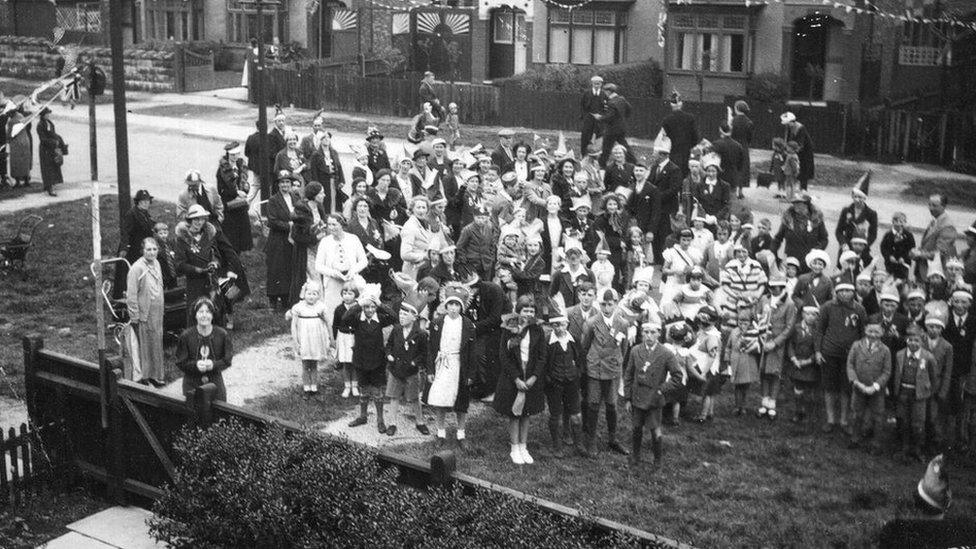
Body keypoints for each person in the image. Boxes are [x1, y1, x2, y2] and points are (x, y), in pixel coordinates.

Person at [495, 298, 546, 465]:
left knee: (526, 413)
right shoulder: (509, 328)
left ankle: (524, 446)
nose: (529, 314)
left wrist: (534, 377)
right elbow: (503, 355)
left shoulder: (537, 329)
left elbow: (541, 356)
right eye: (525, 311)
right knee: (515, 413)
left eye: (532, 311)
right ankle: (514, 447)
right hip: (513, 374)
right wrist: (516, 378)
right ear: (518, 311)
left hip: (530, 374)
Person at [580, 288, 630, 457]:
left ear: (616, 303)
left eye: (610, 304)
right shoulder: (592, 323)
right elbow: (585, 346)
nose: (607, 308)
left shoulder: (623, 323)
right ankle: (591, 439)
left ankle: (613, 438)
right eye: (603, 304)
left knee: (612, 404)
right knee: (593, 403)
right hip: (596, 369)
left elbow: (623, 349)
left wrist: (617, 363)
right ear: (598, 304)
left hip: (613, 369)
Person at [624, 322, 681, 468]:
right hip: (638, 397)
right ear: (641, 334)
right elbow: (629, 375)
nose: (649, 336)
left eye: (653, 332)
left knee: (655, 430)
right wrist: (628, 398)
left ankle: (658, 460)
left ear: (659, 334)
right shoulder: (636, 350)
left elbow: (677, 376)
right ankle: (635, 456)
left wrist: (662, 389)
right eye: (646, 332)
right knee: (636, 427)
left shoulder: (666, 353)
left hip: (654, 398)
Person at [426, 284, 476, 448]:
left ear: (461, 307)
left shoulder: (467, 325)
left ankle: (461, 434)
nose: (453, 308)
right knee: (440, 399)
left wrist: (470, 374)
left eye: (457, 305)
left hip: (459, 365)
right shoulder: (437, 323)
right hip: (442, 363)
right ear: (445, 305)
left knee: (461, 402)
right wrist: (431, 370)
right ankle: (441, 432)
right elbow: (432, 348)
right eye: (451, 304)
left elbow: (471, 351)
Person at [343, 290, 396, 433]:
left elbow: (394, 317)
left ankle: (380, 420)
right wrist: (359, 304)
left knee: (377, 392)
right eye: (367, 307)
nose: (370, 310)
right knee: (364, 389)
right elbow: (345, 317)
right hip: (360, 360)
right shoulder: (356, 320)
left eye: (373, 307)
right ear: (362, 308)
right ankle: (363, 416)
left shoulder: (380, 319)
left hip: (377, 361)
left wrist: (381, 304)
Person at [817, 282, 866, 434]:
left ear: (853, 292)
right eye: (841, 291)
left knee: (846, 388)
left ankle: (844, 420)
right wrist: (818, 351)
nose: (845, 293)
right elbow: (819, 330)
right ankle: (831, 419)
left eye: (848, 291)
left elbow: (863, 333)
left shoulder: (859, 309)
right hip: (829, 353)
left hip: (849, 355)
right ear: (836, 292)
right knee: (829, 387)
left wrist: (860, 354)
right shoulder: (827, 307)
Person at [126, 237, 166, 387]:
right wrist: (135, 315)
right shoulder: (136, 268)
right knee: (145, 344)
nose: (152, 252)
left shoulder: (157, 263)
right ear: (142, 251)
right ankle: (145, 376)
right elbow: (131, 295)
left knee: (156, 342)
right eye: (148, 249)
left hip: (157, 312)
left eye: (154, 249)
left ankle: (157, 375)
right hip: (144, 313)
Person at [175, 297, 233, 402]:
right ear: (195, 315)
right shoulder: (186, 336)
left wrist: (214, 365)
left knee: (220, 413)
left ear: (213, 315)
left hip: (215, 381)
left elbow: (227, 360)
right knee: (194, 414)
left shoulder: (222, 334)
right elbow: (180, 362)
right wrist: (195, 365)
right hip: (192, 381)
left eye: (208, 312)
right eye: (201, 312)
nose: (204, 315)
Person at [316, 213, 369, 326]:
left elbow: (364, 261)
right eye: (329, 225)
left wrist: (353, 271)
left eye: (334, 224)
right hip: (333, 282)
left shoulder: (353, 239)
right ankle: (333, 338)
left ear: (342, 225)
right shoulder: (325, 242)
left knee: (353, 310)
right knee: (333, 311)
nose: (331, 228)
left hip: (351, 280)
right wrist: (334, 273)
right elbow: (318, 266)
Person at [385, 302, 429, 436]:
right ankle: (392, 423)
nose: (401, 317)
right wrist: (389, 355)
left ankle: (420, 422)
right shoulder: (397, 329)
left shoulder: (420, 334)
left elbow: (424, 353)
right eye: (400, 314)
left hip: (411, 371)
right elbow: (389, 345)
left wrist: (414, 363)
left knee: (414, 397)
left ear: (414, 317)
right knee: (394, 396)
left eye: (405, 314)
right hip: (396, 370)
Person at [544, 315, 586, 457]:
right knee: (556, 415)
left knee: (576, 415)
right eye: (555, 325)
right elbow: (543, 362)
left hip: (571, 382)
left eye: (562, 324)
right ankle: (557, 444)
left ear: (567, 324)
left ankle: (578, 443)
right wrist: (548, 378)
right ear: (551, 326)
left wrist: (577, 373)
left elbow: (581, 358)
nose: (559, 328)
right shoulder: (548, 341)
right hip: (554, 383)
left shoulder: (573, 339)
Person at [894, 326, 938, 462]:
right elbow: (897, 375)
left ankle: (917, 449)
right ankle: (904, 448)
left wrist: (928, 391)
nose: (913, 343)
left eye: (916, 340)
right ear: (906, 340)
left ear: (922, 341)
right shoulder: (900, 355)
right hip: (903, 392)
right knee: (904, 421)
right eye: (910, 340)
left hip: (919, 395)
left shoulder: (928, 357)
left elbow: (933, 377)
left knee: (918, 423)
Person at [846, 320, 892, 450]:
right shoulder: (856, 346)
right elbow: (850, 365)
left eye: (876, 332)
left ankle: (876, 444)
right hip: (858, 386)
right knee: (856, 414)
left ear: (882, 333)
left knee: (878, 416)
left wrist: (876, 386)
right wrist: (856, 382)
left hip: (876, 390)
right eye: (870, 331)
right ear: (865, 330)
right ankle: (855, 439)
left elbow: (887, 371)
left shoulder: (885, 350)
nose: (873, 334)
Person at [757, 274, 796, 419]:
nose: (773, 289)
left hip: (777, 343)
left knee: (774, 372)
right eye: (771, 286)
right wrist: (761, 335)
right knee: (763, 371)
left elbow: (789, 327)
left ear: (782, 287)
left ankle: (772, 402)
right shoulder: (764, 299)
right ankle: (764, 400)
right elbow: (758, 315)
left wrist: (775, 342)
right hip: (763, 339)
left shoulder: (789, 303)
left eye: (776, 287)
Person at [286, 281, 331, 398]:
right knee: (306, 364)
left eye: (314, 294)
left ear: (318, 295)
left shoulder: (321, 307)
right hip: (304, 339)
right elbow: (294, 326)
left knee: (314, 364)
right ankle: (306, 387)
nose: (311, 296)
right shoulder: (298, 308)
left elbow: (327, 323)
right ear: (304, 294)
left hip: (315, 339)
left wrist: (329, 339)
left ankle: (314, 387)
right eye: (309, 294)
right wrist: (296, 342)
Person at [113, 189, 157, 298]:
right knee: (129, 273)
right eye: (143, 201)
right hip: (132, 249)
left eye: (147, 201)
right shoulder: (132, 214)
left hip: (144, 249)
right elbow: (126, 232)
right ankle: (126, 296)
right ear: (138, 202)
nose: (146, 203)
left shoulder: (146, 215)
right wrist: (124, 248)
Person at [772, 193, 828, 274]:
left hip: (809, 263)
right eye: (794, 203)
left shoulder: (817, 219)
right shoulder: (788, 219)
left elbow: (824, 240)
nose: (795, 205)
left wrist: (815, 251)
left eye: (798, 203)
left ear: (806, 205)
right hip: (791, 264)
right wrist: (773, 255)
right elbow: (777, 239)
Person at [649, 135, 683, 264]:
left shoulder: (674, 169)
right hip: (655, 208)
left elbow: (674, 189)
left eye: (655, 154)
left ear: (662, 155)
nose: (653, 156)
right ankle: (657, 259)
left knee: (664, 234)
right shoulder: (654, 167)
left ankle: (665, 260)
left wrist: (657, 198)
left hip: (666, 208)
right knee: (656, 233)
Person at [266, 172, 297, 310]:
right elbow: (272, 221)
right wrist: (289, 225)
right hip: (278, 239)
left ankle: (286, 299)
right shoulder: (273, 200)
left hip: (292, 240)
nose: (285, 185)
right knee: (276, 269)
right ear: (278, 184)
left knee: (289, 269)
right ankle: (273, 299)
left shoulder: (295, 198)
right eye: (282, 182)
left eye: (288, 182)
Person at [216, 141, 253, 253]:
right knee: (231, 233)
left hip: (240, 204)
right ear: (228, 155)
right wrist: (236, 193)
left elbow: (245, 182)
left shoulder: (241, 166)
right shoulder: (222, 169)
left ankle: (239, 255)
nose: (235, 157)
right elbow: (221, 190)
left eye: (237, 154)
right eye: (232, 155)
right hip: (229, 204)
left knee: (242, 231)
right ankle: (231, 256)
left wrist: (245, 189)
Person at [912, 194, 958, 280]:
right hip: (923, 270)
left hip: (934, 273)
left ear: (943, 206)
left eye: (934, 205)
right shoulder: (935, 220)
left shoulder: (947, 226)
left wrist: (920, 254)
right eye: (929, 204)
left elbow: (940, 253)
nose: (931, 208)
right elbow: (927, 244)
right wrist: (916, 252)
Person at [660, 91, 699, 178]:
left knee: (674, 177)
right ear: (681, 104)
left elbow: (664, 140)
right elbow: (695, 138)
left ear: (671, 104)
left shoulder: (666, 120)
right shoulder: (690, 118)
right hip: (687, 153)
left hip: (673, 154)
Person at [593, 83, 633, 167]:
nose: (604, 93)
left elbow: (609, 116)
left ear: (609, 91)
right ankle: (634, 162)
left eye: (605, 91)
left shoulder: (611, 103)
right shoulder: (622, 99)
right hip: (621, 128)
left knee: (606, 148)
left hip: (611, 130)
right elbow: (629, 109)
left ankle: (601, 165)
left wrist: (600, 117)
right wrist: (622, 118)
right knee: (625, 146)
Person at [836, 174, 878, 253]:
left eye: (860, 197)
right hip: (846, 248)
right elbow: (839, 231)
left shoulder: (871, 213)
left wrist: (865, 245)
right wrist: (843, 244)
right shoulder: (846, 210)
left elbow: (873, 234)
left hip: (862, 247)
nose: (857, 200)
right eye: (855, 197)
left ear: (864, 198)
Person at [400, 196, 439, 280]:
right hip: (413, 271)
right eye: (418, 207)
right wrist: (424, 256)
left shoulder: (424, 223)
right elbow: (405, 254)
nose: (421, 211)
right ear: (412, 209)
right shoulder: (409, 226)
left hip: (424, 269)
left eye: (423, 207)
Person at [308, 131, 346, 214]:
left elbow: (339, 166)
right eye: (324, 138)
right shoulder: (316, 154)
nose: (326, 139)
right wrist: (317, 185)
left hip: (334, 181)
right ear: (320, 140)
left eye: (328, 137)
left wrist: (342, 180)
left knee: (335, 200)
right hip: (323, 181)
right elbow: (314, 171)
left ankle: (335, 216)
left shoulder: (334, 152)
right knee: (325, 201)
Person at [710, 122, 747, 200]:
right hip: (733, 178)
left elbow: (712, 162)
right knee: (731, 203)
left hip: (719, 177)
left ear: (720, 130)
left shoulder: (716, 144)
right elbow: (741, 165)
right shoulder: (738, 146)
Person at [780, 112, 814, 191]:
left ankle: (803, 188)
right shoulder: (789, 127)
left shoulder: (800, 128)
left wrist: (792, 152)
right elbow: (787, 139)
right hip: (794, 150)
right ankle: (791, 188)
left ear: (792, 121)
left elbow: (800, 143)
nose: (787, 125)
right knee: (792, 169)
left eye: (788, 123)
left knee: (803, 169)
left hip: (805, 152)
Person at [35, 107, 64, 197]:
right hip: (45, 149)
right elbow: (43, 139)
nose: (48, 115)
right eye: (46, 114)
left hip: (52, 149)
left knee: (54, 166)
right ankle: (49, 187)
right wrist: (53, 142)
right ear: (42, 115)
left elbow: (53, 133)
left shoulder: (49, 123)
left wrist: (59, 140)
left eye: (48, 113)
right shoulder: (40, 125)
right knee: (47, 168)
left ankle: (51, 184)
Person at [693, 152, 731, 220]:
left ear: (717, 172)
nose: (711, 174)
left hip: (719, 220)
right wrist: (705, 216)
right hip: (703, 219)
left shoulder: (725, 186)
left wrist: (715, 217)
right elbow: (696, 203)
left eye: (713, 171)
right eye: (708, 171)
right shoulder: (699, 185)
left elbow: (726, 205)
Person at [6, 99, 32, 188]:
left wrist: (7, 140)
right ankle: (26, 180)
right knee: (25, 161)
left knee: (16, 163)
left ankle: (17, 181)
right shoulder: (21, 116)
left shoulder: (11, 121)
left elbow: (10, 134)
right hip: (25, 141)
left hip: (16, 143)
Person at [730, 100, 754, 191]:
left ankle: (733, 188)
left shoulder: (732, 121)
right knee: (743, 168)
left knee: (733, 166)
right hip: (744, 146)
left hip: (733, 145)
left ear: (736, 109)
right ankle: (741, 190)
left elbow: (731, 133)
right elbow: (750, 137)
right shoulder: (749, 122)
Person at [580, 75, 607, 153]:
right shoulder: (587, 93)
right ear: (592, 84)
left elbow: (606, 107)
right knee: (585, 137)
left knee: (599, 138)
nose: (596, 85)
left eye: (598, 84)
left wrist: (602, 116)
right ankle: (584, 154)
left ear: (601, 84)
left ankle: (597, 156)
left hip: (599, 120)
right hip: (588, 119)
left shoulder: (603, 94)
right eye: (595, 84)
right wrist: (585, 116)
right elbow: (582, 105)